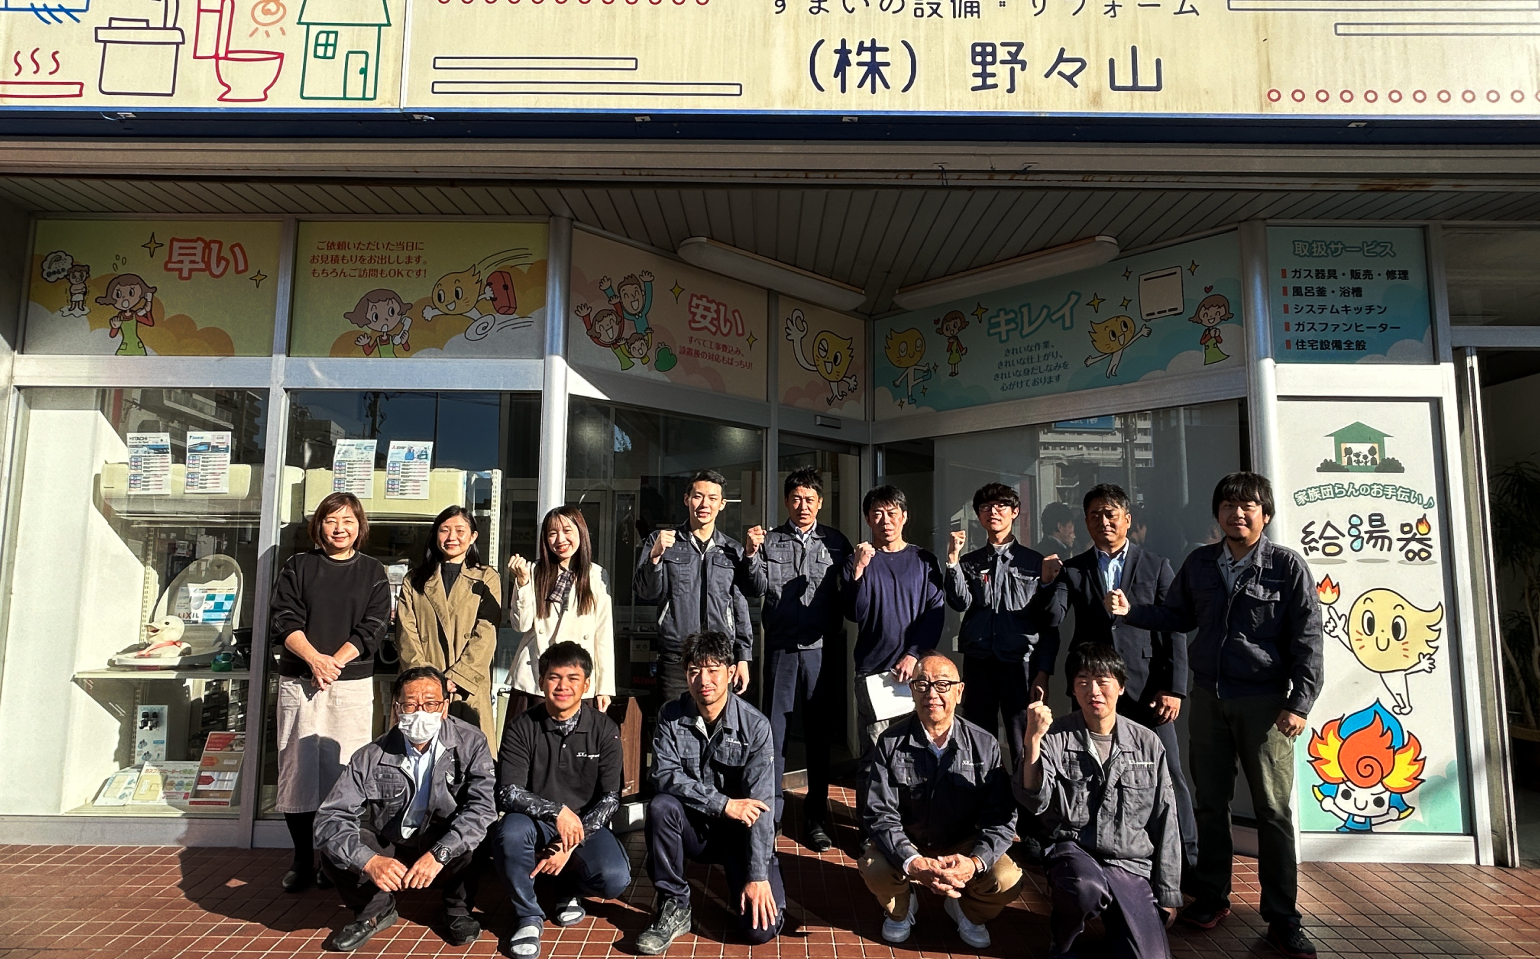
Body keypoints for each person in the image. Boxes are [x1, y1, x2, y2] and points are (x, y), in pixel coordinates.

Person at [1108, 472, 1324, 959]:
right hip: (1209, 697)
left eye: (1247, 506)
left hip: (1264, 703)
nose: (1236, 513)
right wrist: (1131, 611)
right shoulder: (1201, 563)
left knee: (1272, 812)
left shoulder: (1286, 565)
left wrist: (1299, 702)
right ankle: (1211, 895)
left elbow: (1308, 636)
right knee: (1210, 802)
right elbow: (1178, 617)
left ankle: (1283, 917)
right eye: (1227, 505)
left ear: (1265, 514)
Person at [1036, 483, 1197, 868]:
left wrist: (1174, 688)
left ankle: (1187, 861)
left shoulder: (1156, 565)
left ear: (1127, 519)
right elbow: (1052, 618)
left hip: (1146, 688)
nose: (1103, 521)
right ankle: (1099, 850)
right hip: (1093, 688)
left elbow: (1173, 627)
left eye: (1110, 514)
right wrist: (1047, 582)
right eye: (1095, 515)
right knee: (1092, 769)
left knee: (1168, 773)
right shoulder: (1073, 568)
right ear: (1085, 522)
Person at [1016, 644, 1183, 959]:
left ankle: (1119, 929)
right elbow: (1035, 800)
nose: (1093, 691)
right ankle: (1063, 939)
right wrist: (1032, 740)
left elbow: (1166, 820)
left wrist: (1169, 893)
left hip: (1130, 862)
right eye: (1083, 681)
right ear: (1072, 689)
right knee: (1084, 888)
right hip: (1074, 852)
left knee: (1149, 956)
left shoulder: (1147, 742)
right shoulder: (1056, 736)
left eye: (1103, 681)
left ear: (1121, 687)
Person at [315, 666, 497, 952]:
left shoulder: (471, 742)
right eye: (411, 704)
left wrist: (440, 853)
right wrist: (369, 861)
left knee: (475, 837)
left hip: (442, 842)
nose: (420, 712)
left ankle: (457, 908)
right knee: (336, 848)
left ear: (444, 707)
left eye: (430, 704)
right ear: (397, 708)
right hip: (394, 843)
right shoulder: (371, 755)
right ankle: (374, 911)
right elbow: (330, 817)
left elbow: (483, 807)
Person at [269, 491, 391, 893]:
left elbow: (374, 626)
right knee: (298, 769)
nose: (340, 528)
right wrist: (313, 660)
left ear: (360, 527)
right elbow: (283, 618)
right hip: (300, 681)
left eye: (348, 521)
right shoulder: (298, 566)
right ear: (318, 525)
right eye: (331, 520)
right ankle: (302, 858)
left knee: (345, 771)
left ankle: (335, 857)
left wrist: (334, 662)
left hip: (350, 683)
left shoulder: (373, 571)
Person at [858, 652, 1022, 949]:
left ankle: (967, 911)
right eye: (922, 684)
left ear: (959, 691)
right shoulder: (891, 741)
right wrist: (913, 860)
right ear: (912, 690)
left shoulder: (984, 744)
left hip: (963, 843)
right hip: (910, 839)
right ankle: (901, 909)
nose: (932, 694)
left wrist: (974, 862)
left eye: (943, 685)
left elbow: (1001, 817)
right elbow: (879, 812)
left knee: (1007, 879)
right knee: (874, 866)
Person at [637, 630, 786, 955]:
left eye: (713, 670)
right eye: (694, 670)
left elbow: (763, 806)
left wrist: (758, 875)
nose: (703, 680)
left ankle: (755, 877)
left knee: (761, 931)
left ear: (731, 673)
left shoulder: (756, 726)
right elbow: (663, 774)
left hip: (738, 835)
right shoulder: (670, 716)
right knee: (661, 807)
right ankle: (674, 904)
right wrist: (723, 804)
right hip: (694, 828)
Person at [496, 642, 630, 958]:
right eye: (554, 677)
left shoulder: (604, 729)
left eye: (573, 678)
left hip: (585, 825)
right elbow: (508, 791)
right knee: (510, 833)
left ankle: (568, 888)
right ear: (541, 681)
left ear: (587, 684)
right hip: (533, 822)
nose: (563, 686)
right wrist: (556, 812)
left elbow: (611, 798)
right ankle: (528, 915)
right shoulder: (521, 727)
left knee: (614, 879)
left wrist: (569, 844)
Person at [744, 466, 853, 852]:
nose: (803, 505)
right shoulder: (770, 540)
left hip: (820, 650)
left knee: (819, 737)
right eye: (796, 499)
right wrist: (751, 555)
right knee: (774, 736)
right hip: (781, 648)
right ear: (787, 502)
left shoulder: (836, 543)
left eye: (809, 499)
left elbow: (849, 596)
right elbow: (755, 587)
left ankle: (816, 817)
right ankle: (771, 817)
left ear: (820, 503)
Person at [944, 481, 1056, 771]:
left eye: (1001, 506)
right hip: (979, 657)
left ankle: (1025, 792)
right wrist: (953, 561)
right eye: (985, 507)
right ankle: (983, 790)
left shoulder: (1034, 562)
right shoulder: (971, 561)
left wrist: (1042, 671)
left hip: (1019, 661)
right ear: (978, 515)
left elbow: (1048, 620)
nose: (993, 512)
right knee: (978, 732)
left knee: (1022, 733)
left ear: (1015, 512)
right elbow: (959, 602)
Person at [843, 485, 946, 784]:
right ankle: (872, 813)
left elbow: (935, 613)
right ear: (867, 519)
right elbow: (854, 613)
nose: (885, 521)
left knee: (916, 751)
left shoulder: (924, 560)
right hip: (873, 671)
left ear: (904, 516)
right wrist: (859, 570)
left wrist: (913, 655)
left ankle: (909, 812)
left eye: (891, 513)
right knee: (874, 755)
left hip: (916, 673)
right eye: (877, 514)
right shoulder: (857, 560)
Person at [634, 470, 759, 703]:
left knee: (716, 721)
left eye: (712, 498)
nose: (704, 504)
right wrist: (655, 557)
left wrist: (743, 657)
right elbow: (646, 591)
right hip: (677, 658)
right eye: (698, 496)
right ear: (686, 499)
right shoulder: (663, 541)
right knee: (673, 720)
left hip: (719, 659)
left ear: (722, 504)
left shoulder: (732, 550)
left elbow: (739, 606)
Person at [397, 505, 503, 753]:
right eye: (444, 530)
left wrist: (458, 677)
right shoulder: (414, 580)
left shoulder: (486, 577)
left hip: (467, 686)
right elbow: (406, 632)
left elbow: (486, 632)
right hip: (424, 689)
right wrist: (426, 680)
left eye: (460, 530)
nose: (452, 537)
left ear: (473, 536)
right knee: (421, 755)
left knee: (470, 756)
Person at [509, 506, 616, 715]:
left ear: (581, 533)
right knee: (529, 734)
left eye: (567, 531)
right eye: (552, 533)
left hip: (577, 676)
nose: (560, 539)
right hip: (535, 678)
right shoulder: (533, 571)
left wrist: (604, 688)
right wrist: (522, 582)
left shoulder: (596, 575)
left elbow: (603, 634)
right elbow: (521, 625)